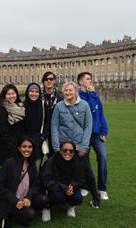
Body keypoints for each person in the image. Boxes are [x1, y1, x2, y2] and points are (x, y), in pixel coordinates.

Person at [51, 81, 100, 208]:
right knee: (64, 172)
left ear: (75, 91)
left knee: (87, 171)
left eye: (70, 90)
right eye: (66, 90)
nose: (68, 92)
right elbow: (54, 126)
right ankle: (66, 198)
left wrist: (84, 146)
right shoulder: (59, 106)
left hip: (79, 145)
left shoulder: (84, 105)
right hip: (64, 146)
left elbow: (88, 126)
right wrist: (56, 147)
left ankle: (95, 197)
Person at [0, 137, 48, 228]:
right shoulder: (8, 163)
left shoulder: (33, 165)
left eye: (30, 147)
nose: (27, 149)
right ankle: (5, 215)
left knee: (43, 199)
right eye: (24, 146)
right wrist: (15, 201)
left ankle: (18, 214)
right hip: (9, 200)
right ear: (19, 148)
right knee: (30, 214)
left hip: (23, 199)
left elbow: (35, 186)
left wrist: (28, 198)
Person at [77, 72, 110, 201]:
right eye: (87, 79)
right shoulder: (78, 96)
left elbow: (100, 114)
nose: (90, 81)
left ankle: (102, 188)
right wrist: (91, 94)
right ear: (81, 82)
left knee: (103, 158)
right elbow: (89, 109)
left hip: (97, 134)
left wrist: (104, 131)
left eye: (90, 79)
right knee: (84, 161)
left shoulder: (95, 96)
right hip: (84, 134)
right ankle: (85, 186)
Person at [41, 141, 85, 221]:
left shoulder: (77, 161)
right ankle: (47, 207)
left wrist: (73, 185)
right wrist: (63, 188)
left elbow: (80, 179)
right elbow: (46, 180)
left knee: (78, 198)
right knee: (58, 197)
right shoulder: (51, 161)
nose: (68, 152)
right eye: (65, 150)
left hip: (70, 187)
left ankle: (70, 206)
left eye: (71, 151)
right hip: (55, 187)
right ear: (60, 151)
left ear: (74, 152)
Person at [0, 84, 25, 166]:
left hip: (18, 145)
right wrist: (14, 147)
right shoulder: (2, 109)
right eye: (9, 94)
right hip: (7, 148)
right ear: (4, 96)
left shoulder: (20, 107)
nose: (11, 96)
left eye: (13, 93)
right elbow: (3, 132)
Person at [41, 72, 63, 157]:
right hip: (41, 135)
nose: (49, 81)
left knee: (55, 162)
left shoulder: (60, 99)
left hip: (55, 135)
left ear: (54, 81)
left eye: (51, 79)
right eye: (46, 79)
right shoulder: (38, 97)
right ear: (43, 81)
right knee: (36, 164)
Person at [24, 82, 45, 170]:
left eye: (36, 91)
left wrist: (43, 137)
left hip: (38, 142)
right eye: (31, 91)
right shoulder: (22, 106)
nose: (34, 93)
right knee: (24, 170)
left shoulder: (43, 106)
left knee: (36, 169)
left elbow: (47, 123)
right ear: (28, 93)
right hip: (25, 143)